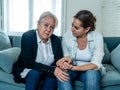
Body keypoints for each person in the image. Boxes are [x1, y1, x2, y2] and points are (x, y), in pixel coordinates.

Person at [12, 11, 69, 90]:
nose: (48, 29)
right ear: (38, 24)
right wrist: (52, 70)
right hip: (28, 69)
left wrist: (63, 65)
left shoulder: (56, 40)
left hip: (47, 72)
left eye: (52, 27)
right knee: (35, 74)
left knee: (53, 78)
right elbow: (29, 63)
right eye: (46, 25)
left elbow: (58, 61)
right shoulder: (28, 37)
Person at [56, 10, 105, 90]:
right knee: (62, 73)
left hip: (89, 70)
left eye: (76, 28)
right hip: (72, 68)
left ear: (87, 29)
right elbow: (67, 55)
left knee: (91, 75)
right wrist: (66, 60)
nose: (72, 29)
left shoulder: (97, 37)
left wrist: (73, 68)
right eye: (72, 25)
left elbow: (95, 64)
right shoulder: (67, 36)